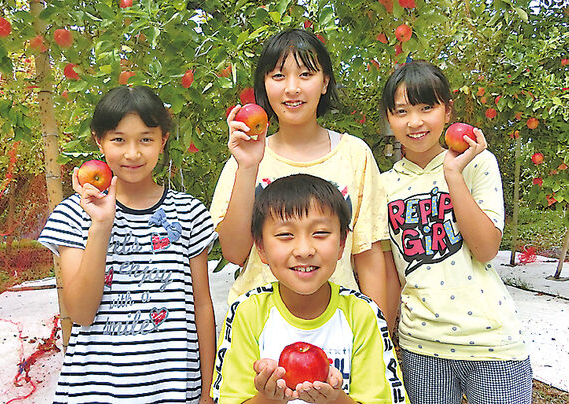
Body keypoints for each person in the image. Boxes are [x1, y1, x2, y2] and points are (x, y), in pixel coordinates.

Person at [38, 86, 217, 403]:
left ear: (163, 140)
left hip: (174, 392)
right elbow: (80, 313)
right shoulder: (72, 215)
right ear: (99, 140)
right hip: (94, 392)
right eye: (118, 139)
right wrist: (101, 226)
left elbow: (202, 306)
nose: (132, 153)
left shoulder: (189, 213)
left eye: (145, 139)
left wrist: (206, 392)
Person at [210, 28, 393, 327]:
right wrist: (247, 167)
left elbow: (369, 257)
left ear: (325, 82)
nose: (292, 88)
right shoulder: (244, 157)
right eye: (279, 76)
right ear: (265, 85)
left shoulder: (354, 154)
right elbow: (233, 252)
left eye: (306, 74)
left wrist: (377, 337)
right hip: (256, 326)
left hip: (338, 327)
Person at [379, 60, 532, 403]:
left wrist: (452, 175)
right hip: (421, 345)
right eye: (401, 111)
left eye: (427, 107)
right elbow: (390, 272)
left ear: (447, 110)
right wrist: (382, 336)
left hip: (493, 344)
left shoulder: (477, 163)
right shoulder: (383, 185)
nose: (415, 121)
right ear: (389, 119)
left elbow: (486, 248)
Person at [211, 174, 408, 404]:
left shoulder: (363, 314)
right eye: (285, 235)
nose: (304, 250)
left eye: (320, 233)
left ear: (342, 244)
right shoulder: (247, 313)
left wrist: (336, 400)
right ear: (261, 248)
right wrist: (267, 398)